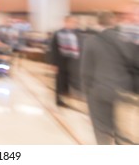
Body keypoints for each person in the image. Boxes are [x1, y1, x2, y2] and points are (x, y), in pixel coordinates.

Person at [80, 12, 139, 144]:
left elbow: (86, 72)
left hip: (99, 91)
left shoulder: (91, 41)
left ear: (98, 23)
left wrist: (86, 95)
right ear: (114, 22)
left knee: (101, 129)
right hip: (123, 91)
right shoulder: (127, 40)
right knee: (121, 131)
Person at [50, 16, 80, 106]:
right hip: (60, 61)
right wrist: (53, 63)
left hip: (71, 61)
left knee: (68, 80)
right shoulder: (58, 33)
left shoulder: (75, 34)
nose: (73, 24)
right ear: (65, 22)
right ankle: (59, 99)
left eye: (75, 22)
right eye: (71, 22)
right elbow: (54, 49)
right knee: (60, 81)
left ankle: (65, 96)